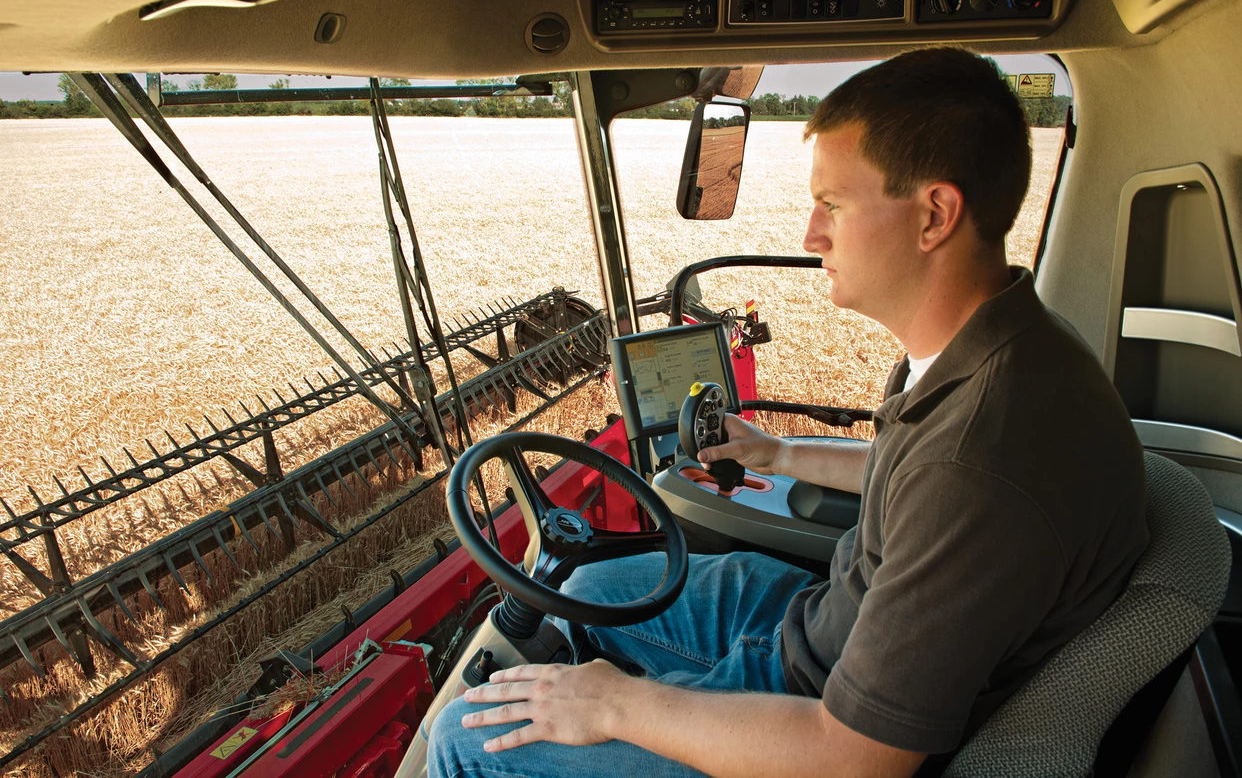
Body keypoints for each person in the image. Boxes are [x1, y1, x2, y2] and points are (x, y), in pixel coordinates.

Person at [428, 47, 1149, 778]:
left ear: (935, 215)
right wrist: (776, 453)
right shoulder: (995, 347)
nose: (811, 235)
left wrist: (618, 706)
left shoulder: (980, 461)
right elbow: (907, 480)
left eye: (832, 205)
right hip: (824, 625)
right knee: (585, 588)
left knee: (463, 738)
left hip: (818, 715)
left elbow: (853, 758)